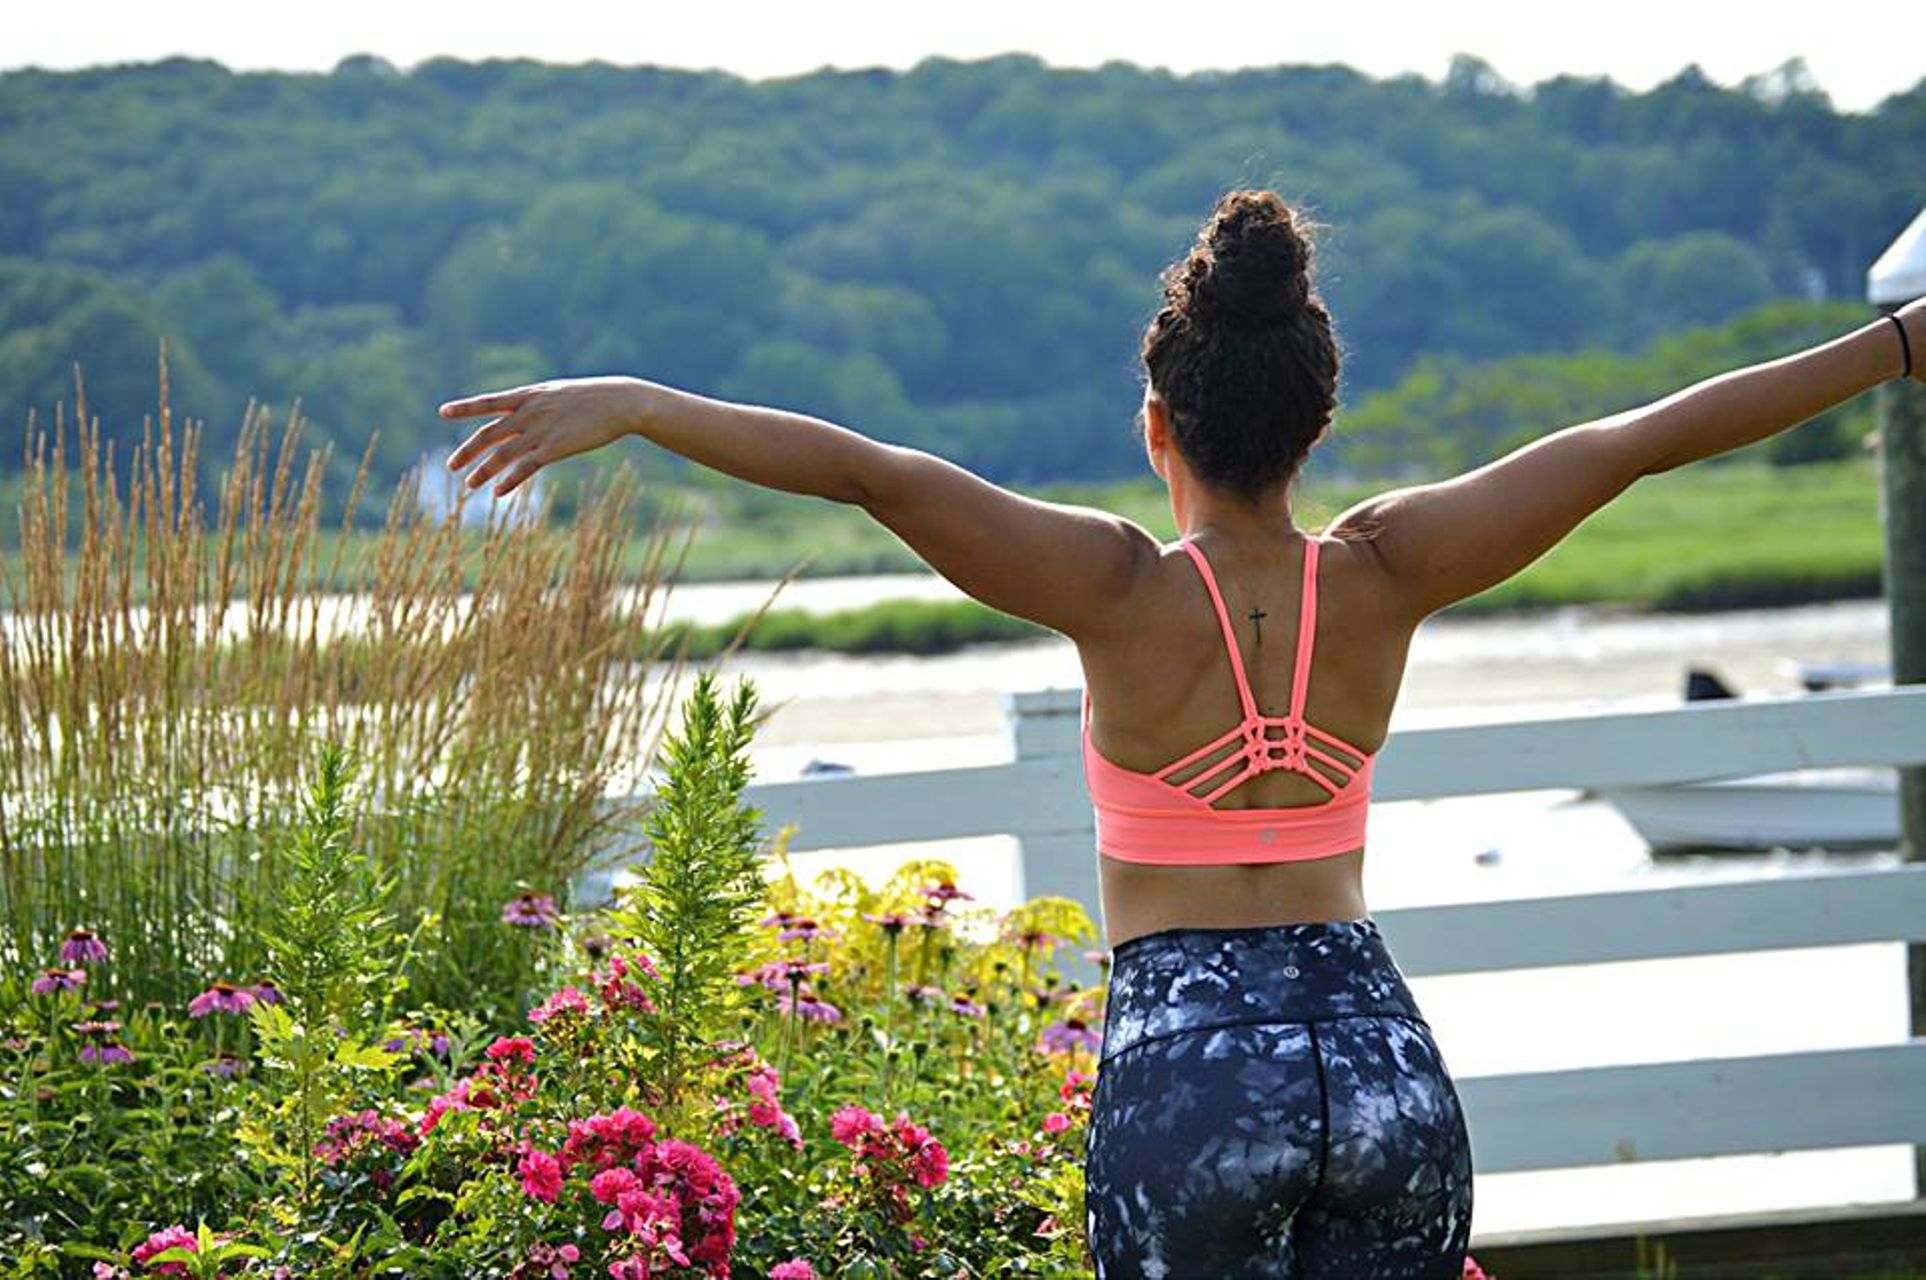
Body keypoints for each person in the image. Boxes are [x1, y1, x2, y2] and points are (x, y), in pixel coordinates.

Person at [438, 188, 1924, 1278]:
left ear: (1159, 424)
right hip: (1381, 1060)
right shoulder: (1395, 568)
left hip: (1194, 1067)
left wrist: (634, 401)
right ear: (1314, 422)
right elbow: (1642, 437)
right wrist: (1900, 347)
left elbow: (868, 473)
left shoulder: (1109, 589)